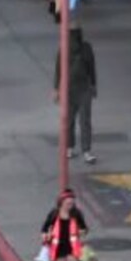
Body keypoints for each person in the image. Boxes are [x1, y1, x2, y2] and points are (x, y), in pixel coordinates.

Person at [54, 27, 98, 164]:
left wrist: (56, 89)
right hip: (83, 88)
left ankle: (71, 148)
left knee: (70, 120)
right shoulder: (85, 48)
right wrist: (94, 85)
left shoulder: (65, 48)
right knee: (83, 121)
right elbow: (92, 68)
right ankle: (85, 151)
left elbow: (58, 70)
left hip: (71, 88)